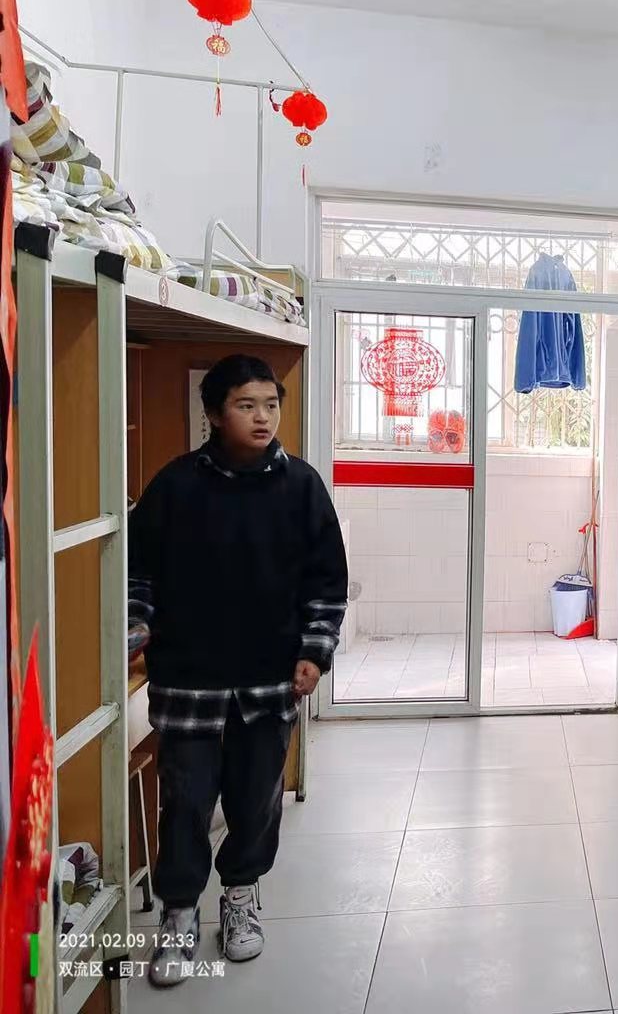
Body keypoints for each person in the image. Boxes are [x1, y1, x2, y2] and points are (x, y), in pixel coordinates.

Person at [127, 355, 348, 988]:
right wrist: (135, 630)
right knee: (186, 800)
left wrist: (314, 651)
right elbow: (137, 575)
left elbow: (327, 581)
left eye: (270, 405)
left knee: (256, 798)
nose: (262, 417)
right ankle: (178, 912)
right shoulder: (175, 486)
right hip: (188, 677)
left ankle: (241, 894)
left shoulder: (301, 486)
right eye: (246, 405)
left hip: (269, 675)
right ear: (214, 414)